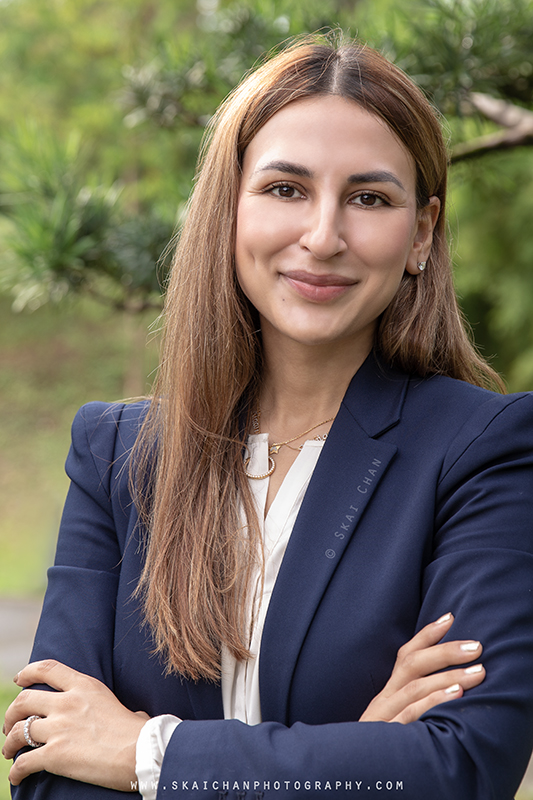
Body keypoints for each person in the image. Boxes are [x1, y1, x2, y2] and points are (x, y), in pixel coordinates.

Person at [3, 34, 533, 800]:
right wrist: (357, 753)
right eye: (285, 189)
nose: (321, 237)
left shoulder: (481, 451)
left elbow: (460, 768)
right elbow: (49, 769)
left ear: (420, 233)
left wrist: (146, 753)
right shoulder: (117, 454)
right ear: (228, 207)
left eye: (369, 198)